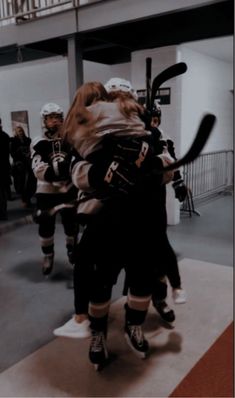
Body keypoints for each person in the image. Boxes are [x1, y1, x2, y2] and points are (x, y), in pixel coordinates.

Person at [60, 81, 175, 369]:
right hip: (105, 222)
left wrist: (152, 167)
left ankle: (133, 325)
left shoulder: (147, 131)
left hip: (142, 220)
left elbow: (169, 163)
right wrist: (103, 174)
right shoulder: (90, 134)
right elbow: (77, 172)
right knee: (99, 284)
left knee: (141, 280)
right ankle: (97, 333)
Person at [149, 103, 187, 321]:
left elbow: (173, 164)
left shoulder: (164, 139)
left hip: (155, 200)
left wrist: (179, 184)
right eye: (150, 119)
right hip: (131, 202)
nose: (154, 123)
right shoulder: (135, 138)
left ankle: (160, 297)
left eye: (157, 119)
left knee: (159, 249)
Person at [31, 102, 78, 276]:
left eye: (57, 117)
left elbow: (75, 161)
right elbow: (38, 168)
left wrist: (69, 171)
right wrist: (57, 172)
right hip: (47, 192)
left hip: (68, 190)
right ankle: (48, 256)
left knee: (71, 224)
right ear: (44, 120)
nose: (54, 121)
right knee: (45, 225)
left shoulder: (70, 139)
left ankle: (72, 250)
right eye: (50, 118)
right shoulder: (38, 142)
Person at [10, 125, 36, 207]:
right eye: (18, 131)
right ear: (16, 133)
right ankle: (25, 199)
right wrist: (19, 151)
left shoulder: (28, 140)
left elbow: (32, 150)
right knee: (21, 183)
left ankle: (27, 199)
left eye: (21, 131)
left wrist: (29, 153)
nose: (20, 133)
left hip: (28, 163)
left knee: (30, 182)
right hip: (19, 165)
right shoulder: (14, 141)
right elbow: (12, 153)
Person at [0, 119, 11, 220]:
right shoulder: (5, 136)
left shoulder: (4, 136)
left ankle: (2, 212)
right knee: (3, 191)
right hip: (4, 166)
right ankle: (3, 212)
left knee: (2, 192)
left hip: (2, 167)